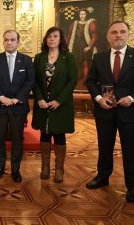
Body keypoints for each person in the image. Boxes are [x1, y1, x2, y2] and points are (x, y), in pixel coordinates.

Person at [85, 21, 134, 203]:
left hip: (130, 111)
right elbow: (91, 81)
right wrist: (99, 99)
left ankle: (132, 186)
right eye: (114, 32)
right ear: (108, 37)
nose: (118, 35)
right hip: (105, 111)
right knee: (104, 147)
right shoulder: (99, 57)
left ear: (128, 34)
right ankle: (103, 176)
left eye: (122, 31)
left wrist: (132, 98)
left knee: (131, 150)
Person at [0, 29, 35, 183]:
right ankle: (0, 168)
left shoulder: (26, 60)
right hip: (0, 107)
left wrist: (17, 99)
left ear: (18, 42)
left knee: (17, 139)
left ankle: (15, 170)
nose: (9, 42)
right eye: (6, 40)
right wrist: (1, 98)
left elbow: (30, 81)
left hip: (18, 107)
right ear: (3, 42)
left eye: (12, 40)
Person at [32, 27, 77, 183]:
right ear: (46, 39)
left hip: (61, 105)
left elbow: (72, 81)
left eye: (55, 36)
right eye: (49, 36)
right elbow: (35, 81)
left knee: (59, 135)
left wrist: (59, 100)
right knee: (44, 134)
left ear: (60, 39)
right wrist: (38, 98)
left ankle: (59, 169)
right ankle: (45, 167)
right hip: (43, 104)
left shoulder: (69, 57)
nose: (51, 39)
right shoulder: (39, 58)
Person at [66, 8, 97, 87]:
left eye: (83, 14)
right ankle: (74, 80)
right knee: (75, 63)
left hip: (85, 47)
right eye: (81, 14)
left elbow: (94, 36)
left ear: (86, 15)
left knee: (85, 63)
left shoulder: (90, 23)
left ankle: (85, 80)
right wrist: (65, 47)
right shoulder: (74, 24)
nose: (82, 16)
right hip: (75, 46)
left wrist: (89, 46)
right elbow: (69, 37)